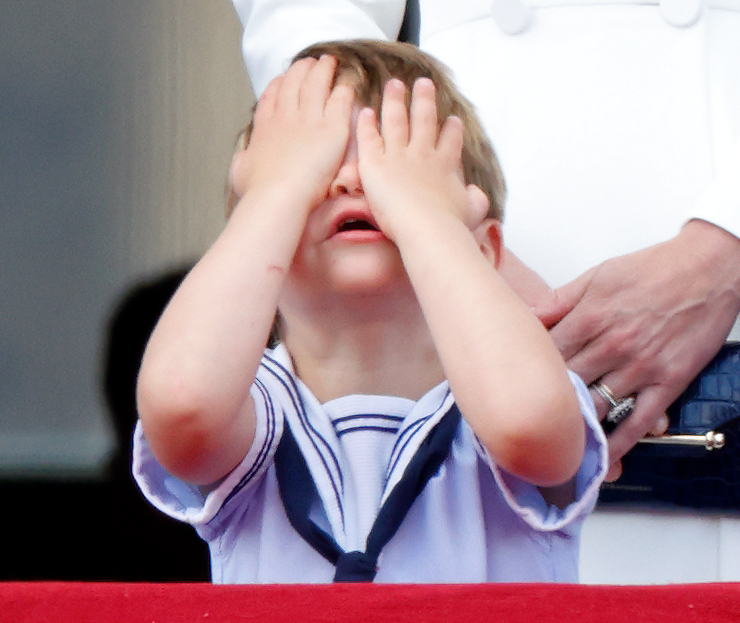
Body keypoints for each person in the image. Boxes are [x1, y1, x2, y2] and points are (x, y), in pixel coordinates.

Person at [133, 40, 607, 583]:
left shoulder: (506, 394)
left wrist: (423, 215)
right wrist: (277, 191)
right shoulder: (249, 408)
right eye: (319, 168)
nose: (351, 180)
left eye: (394, 167)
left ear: (481, 252)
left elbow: (528, 427)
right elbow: (182, 404)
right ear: (257, 249)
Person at [230, 0, 740, 481]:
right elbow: (308, 15)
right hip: (438, 238)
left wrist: (725, 247)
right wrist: (445, 242)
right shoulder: (257, 413)